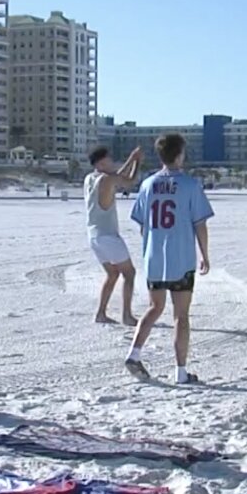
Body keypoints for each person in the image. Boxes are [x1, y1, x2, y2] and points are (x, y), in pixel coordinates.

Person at [124, 133, 214, 384]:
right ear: (179, 154)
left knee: (154, 307)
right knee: (181, 315)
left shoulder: (148, 184)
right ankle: (180, 372)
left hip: (154, 258)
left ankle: (134, 353)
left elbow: (142, 225)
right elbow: (200, 224)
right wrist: (205, 255)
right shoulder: (189, 185)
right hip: (181, 259)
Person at [84, 145, 143, 325]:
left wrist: (131, 159)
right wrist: (136, 161)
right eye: (109, 159)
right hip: (108, 235)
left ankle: (101, 313)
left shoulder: (90, 178)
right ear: (101, 163)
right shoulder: (107, 179)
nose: (112, 161)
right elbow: (129, 181)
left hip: (93, 235)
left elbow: (116, 176)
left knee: (112, 274)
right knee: (129, 273)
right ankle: (126, 315)